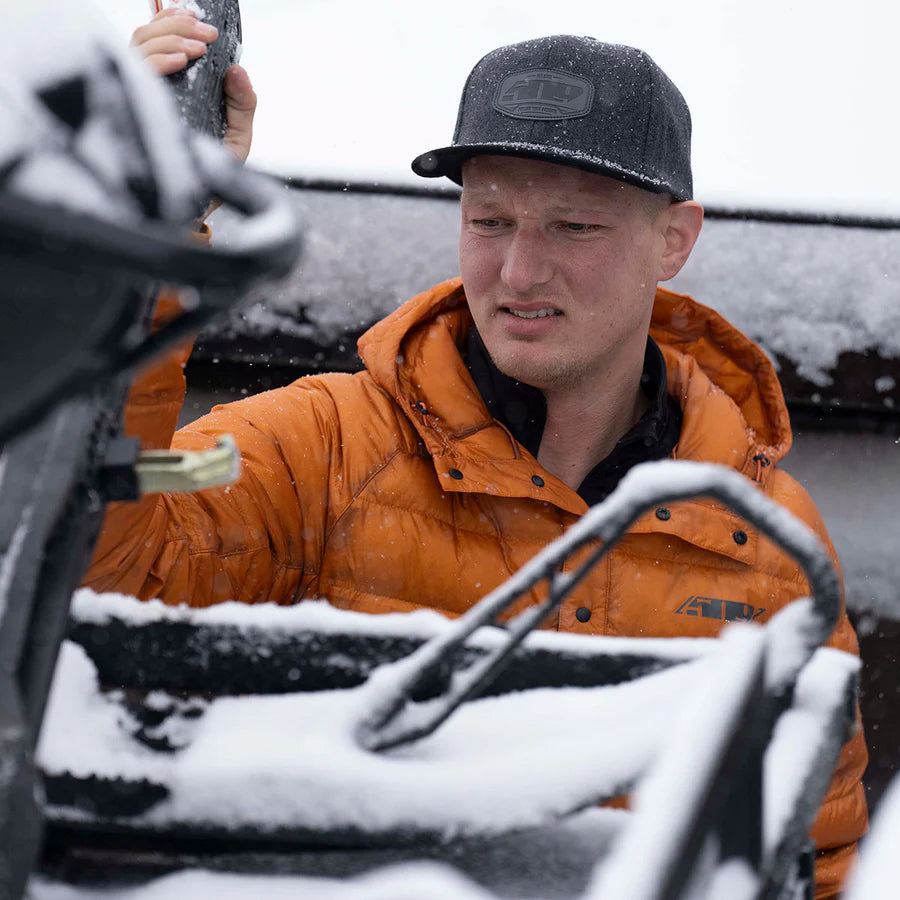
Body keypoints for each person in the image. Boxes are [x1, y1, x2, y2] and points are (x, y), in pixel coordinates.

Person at [87, 11, 868, 896]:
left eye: (575, 227)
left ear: (675, 239)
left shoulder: (766, 540)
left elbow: (817, 865)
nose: (520, 272)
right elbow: (102, 575)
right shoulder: (323, 447)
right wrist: (138, 223)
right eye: (490, 221)